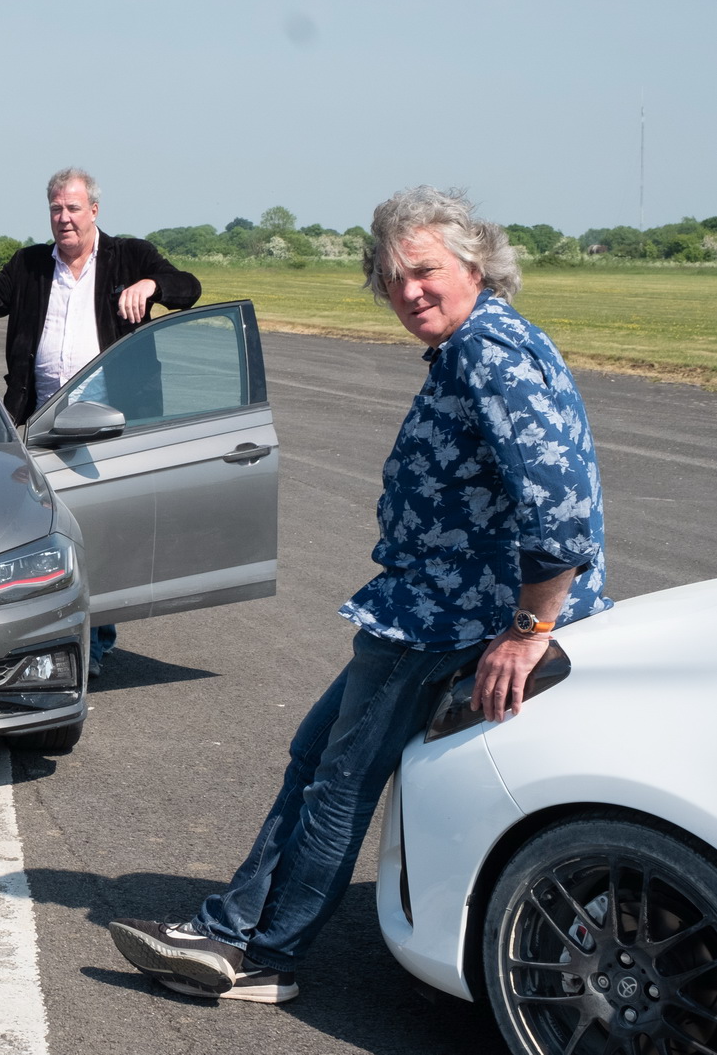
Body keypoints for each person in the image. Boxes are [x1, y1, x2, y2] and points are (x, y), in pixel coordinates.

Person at [108, 186, 610, 1004]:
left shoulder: (487, 351)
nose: (408, 290)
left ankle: (259, 951)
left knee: (336, 778)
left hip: (447, 615)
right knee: (314, 758)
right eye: (392, 278)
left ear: (472, 263)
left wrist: (528, 626)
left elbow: (560, 507)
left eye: (424, 270)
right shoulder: (478, 345)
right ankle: (233, 925)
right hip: (426, 603)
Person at [0, 168, 202, 675]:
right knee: (49, 529)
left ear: (95, 211)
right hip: (41, 422)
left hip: (111, 421)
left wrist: (151, 284)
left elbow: (188, 288)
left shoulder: (131, 256)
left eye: (74, 208)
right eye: (57, 209)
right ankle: (48, 628)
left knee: (102, 529)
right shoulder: (32, 265)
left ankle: (96, 640)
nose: (65, 218)